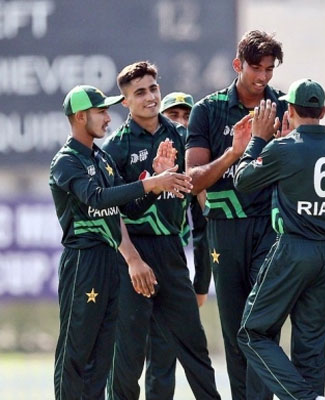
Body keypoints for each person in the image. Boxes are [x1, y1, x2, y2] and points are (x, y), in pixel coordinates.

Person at [50, 84, 192, 399]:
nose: (107, 117)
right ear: (80, 116)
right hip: (84, 260)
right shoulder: (67, 161)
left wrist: (153, 184)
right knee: (77, 351)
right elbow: (96, 199)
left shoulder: (102, 159)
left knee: (102, 355)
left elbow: (126, 209)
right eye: (100, 111)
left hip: (111, 260)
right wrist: (150, 184)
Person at [103, 61, 219, 400]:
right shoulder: (116, 148)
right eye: (139, 92)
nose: (150, 97)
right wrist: (133, 260)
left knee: (195, 349)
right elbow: (113, 211)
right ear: (126, 102)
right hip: (133, 256)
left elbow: (202, 201)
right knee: (128, 358)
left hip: (171, 253)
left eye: (153, 88)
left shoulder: (182, 137)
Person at [234, 79, 325, 400]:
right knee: (311, 349)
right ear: (324, 111)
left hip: (292, 249)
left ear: (290, 110)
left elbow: (242, 180)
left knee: (252, 333)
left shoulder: (283, 148)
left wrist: (257, 140)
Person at [185, 30, 285, 399]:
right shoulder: (207, 111)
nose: (262, 78)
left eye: (269, 70)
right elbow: (193, 181)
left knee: (263, 325)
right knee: (235, 330)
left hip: (272, 228)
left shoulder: (284, 108)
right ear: (237, 65)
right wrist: (232, 153)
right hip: (225, 229)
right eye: (255, 68)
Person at [143, 91, 213, 399]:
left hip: (173, 262)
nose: (182, 124)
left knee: (190, 346)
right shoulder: (147, 156)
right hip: (140, 260)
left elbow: (202, 227)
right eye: (174, 116)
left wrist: (200, 285)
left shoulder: (193, 167)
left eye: (187, 117)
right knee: (145, 352)